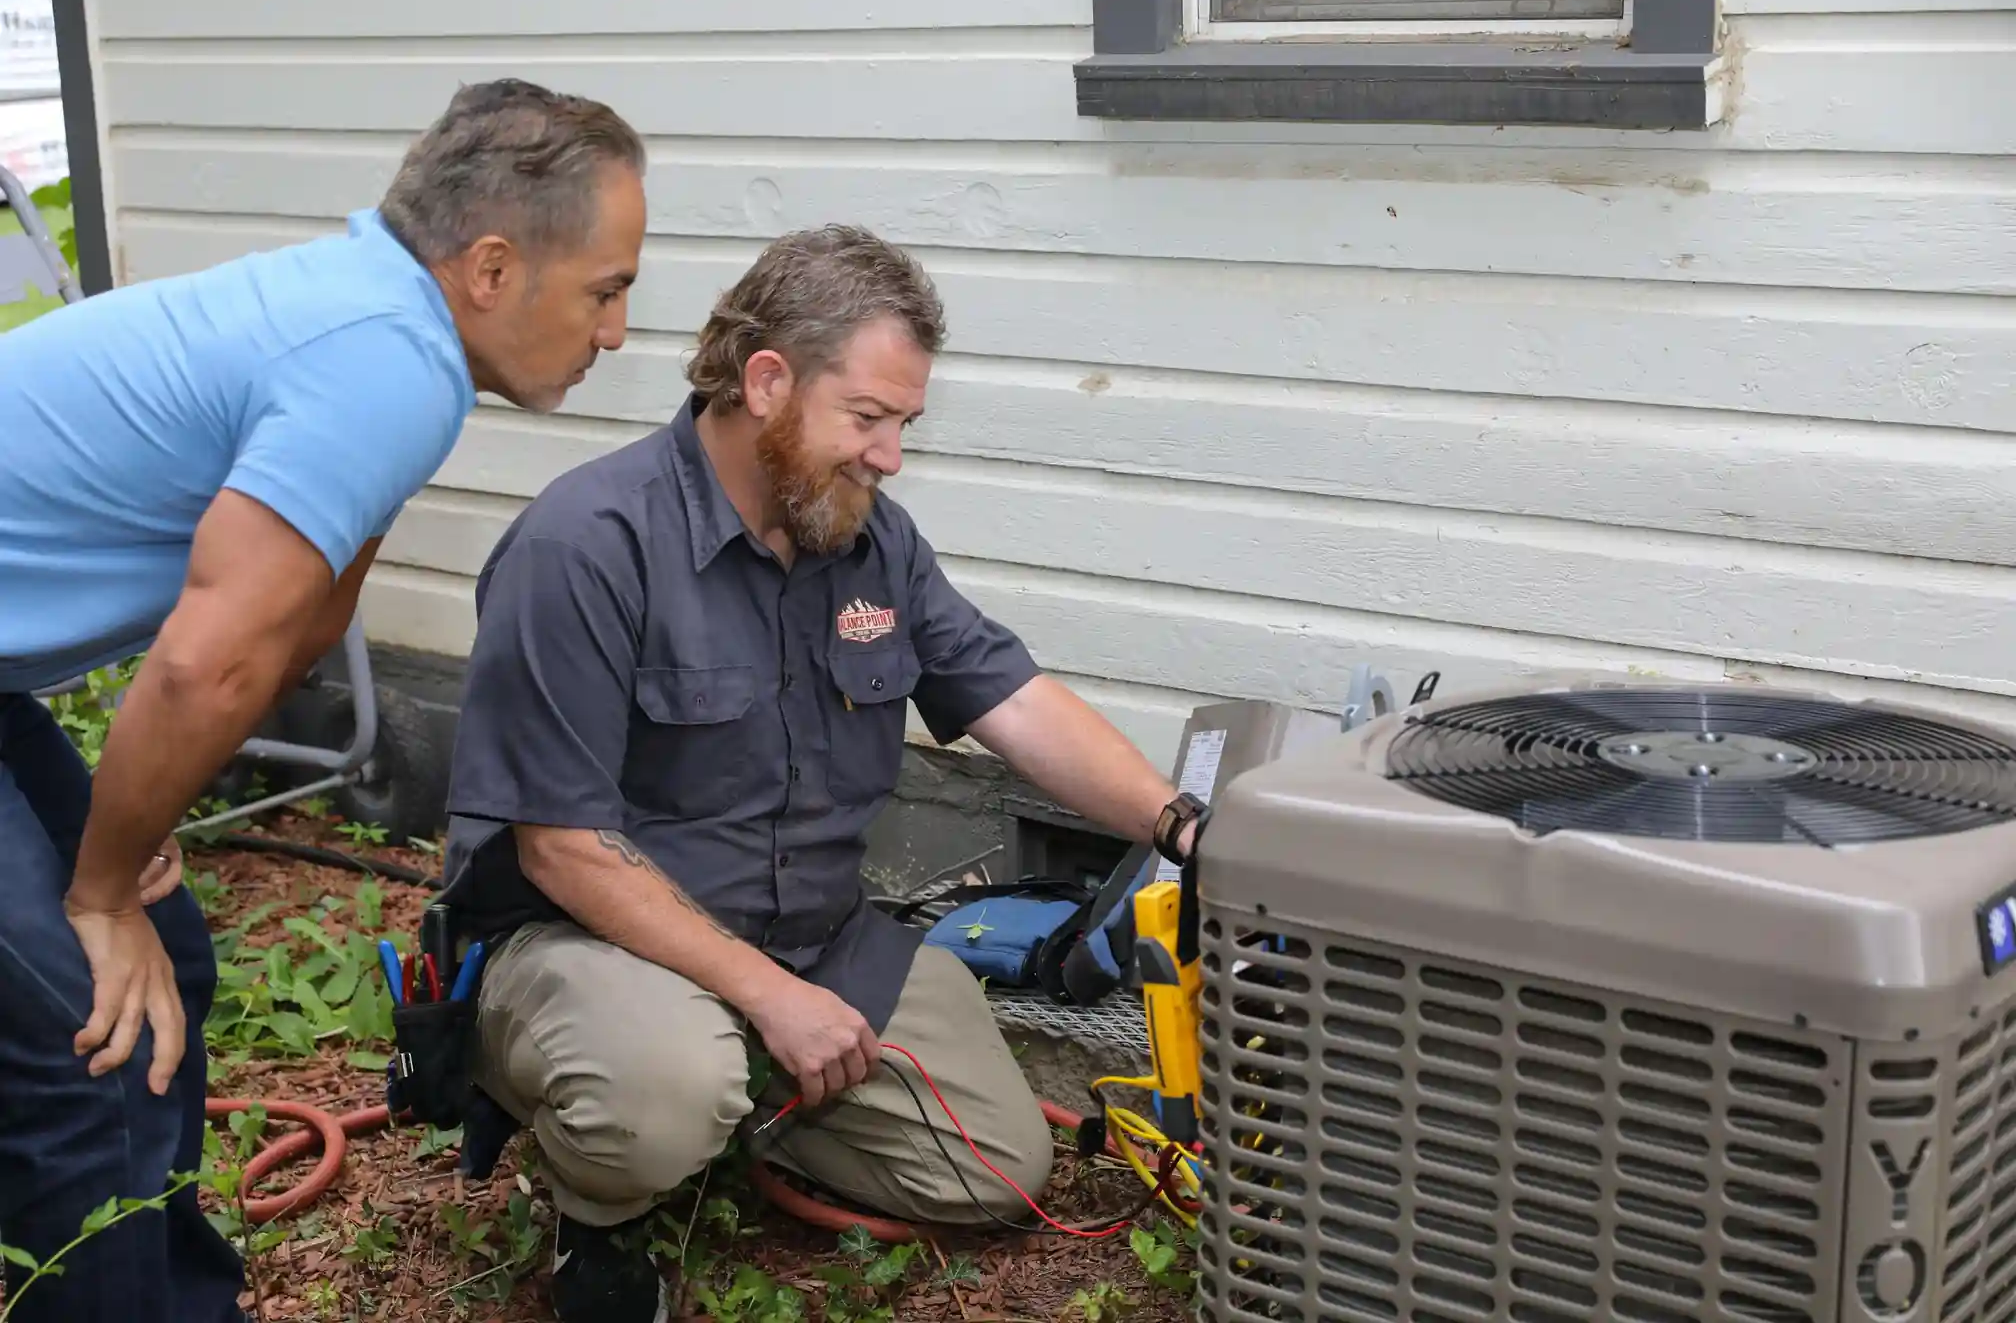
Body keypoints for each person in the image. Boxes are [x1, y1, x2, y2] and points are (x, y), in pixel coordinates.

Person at [434, 223, 1206, 1323]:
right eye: (869, 418)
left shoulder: (869, 541)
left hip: (814, 939)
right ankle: (600, 1208)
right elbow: (560, 844)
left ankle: (736, 1104)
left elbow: (1015, 704)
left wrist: (1182, 824)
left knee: (995, 1169)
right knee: (662, 1092)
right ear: (766, 381)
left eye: (905, 425)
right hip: (589, 945)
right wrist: (766, 999)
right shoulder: (587, 545)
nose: (890, 454)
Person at [0, 79, 646, 1322]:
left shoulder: (385, 326)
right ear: (494, 268)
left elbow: (300, 627)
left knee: (163, 967)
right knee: (86, 1034)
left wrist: (127, 847)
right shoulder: (382, 363)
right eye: (607, 290)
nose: (616, 331)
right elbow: (205, 664)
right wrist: (95, 883)